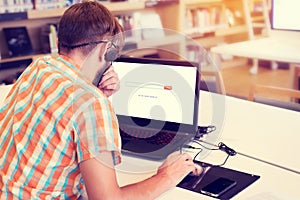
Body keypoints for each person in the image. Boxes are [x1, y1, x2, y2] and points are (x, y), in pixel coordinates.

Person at [0, 1, 202, 199]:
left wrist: (95, 90)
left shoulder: (40, 66)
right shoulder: (90, 104)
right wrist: (167, 176)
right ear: (107, 50)